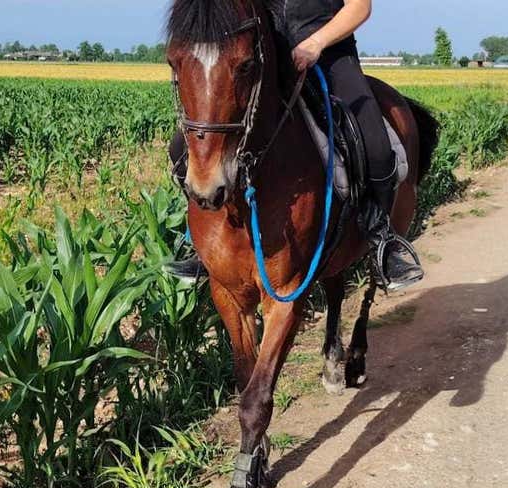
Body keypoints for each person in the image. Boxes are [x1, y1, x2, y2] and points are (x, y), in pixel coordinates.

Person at [166, 0, 424, 291]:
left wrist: (316, 43)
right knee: (182, 148)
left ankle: (382, 239)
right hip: (266, 58)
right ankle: (200, 242)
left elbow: (360, 7)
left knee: (376, 146)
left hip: (331, 56)